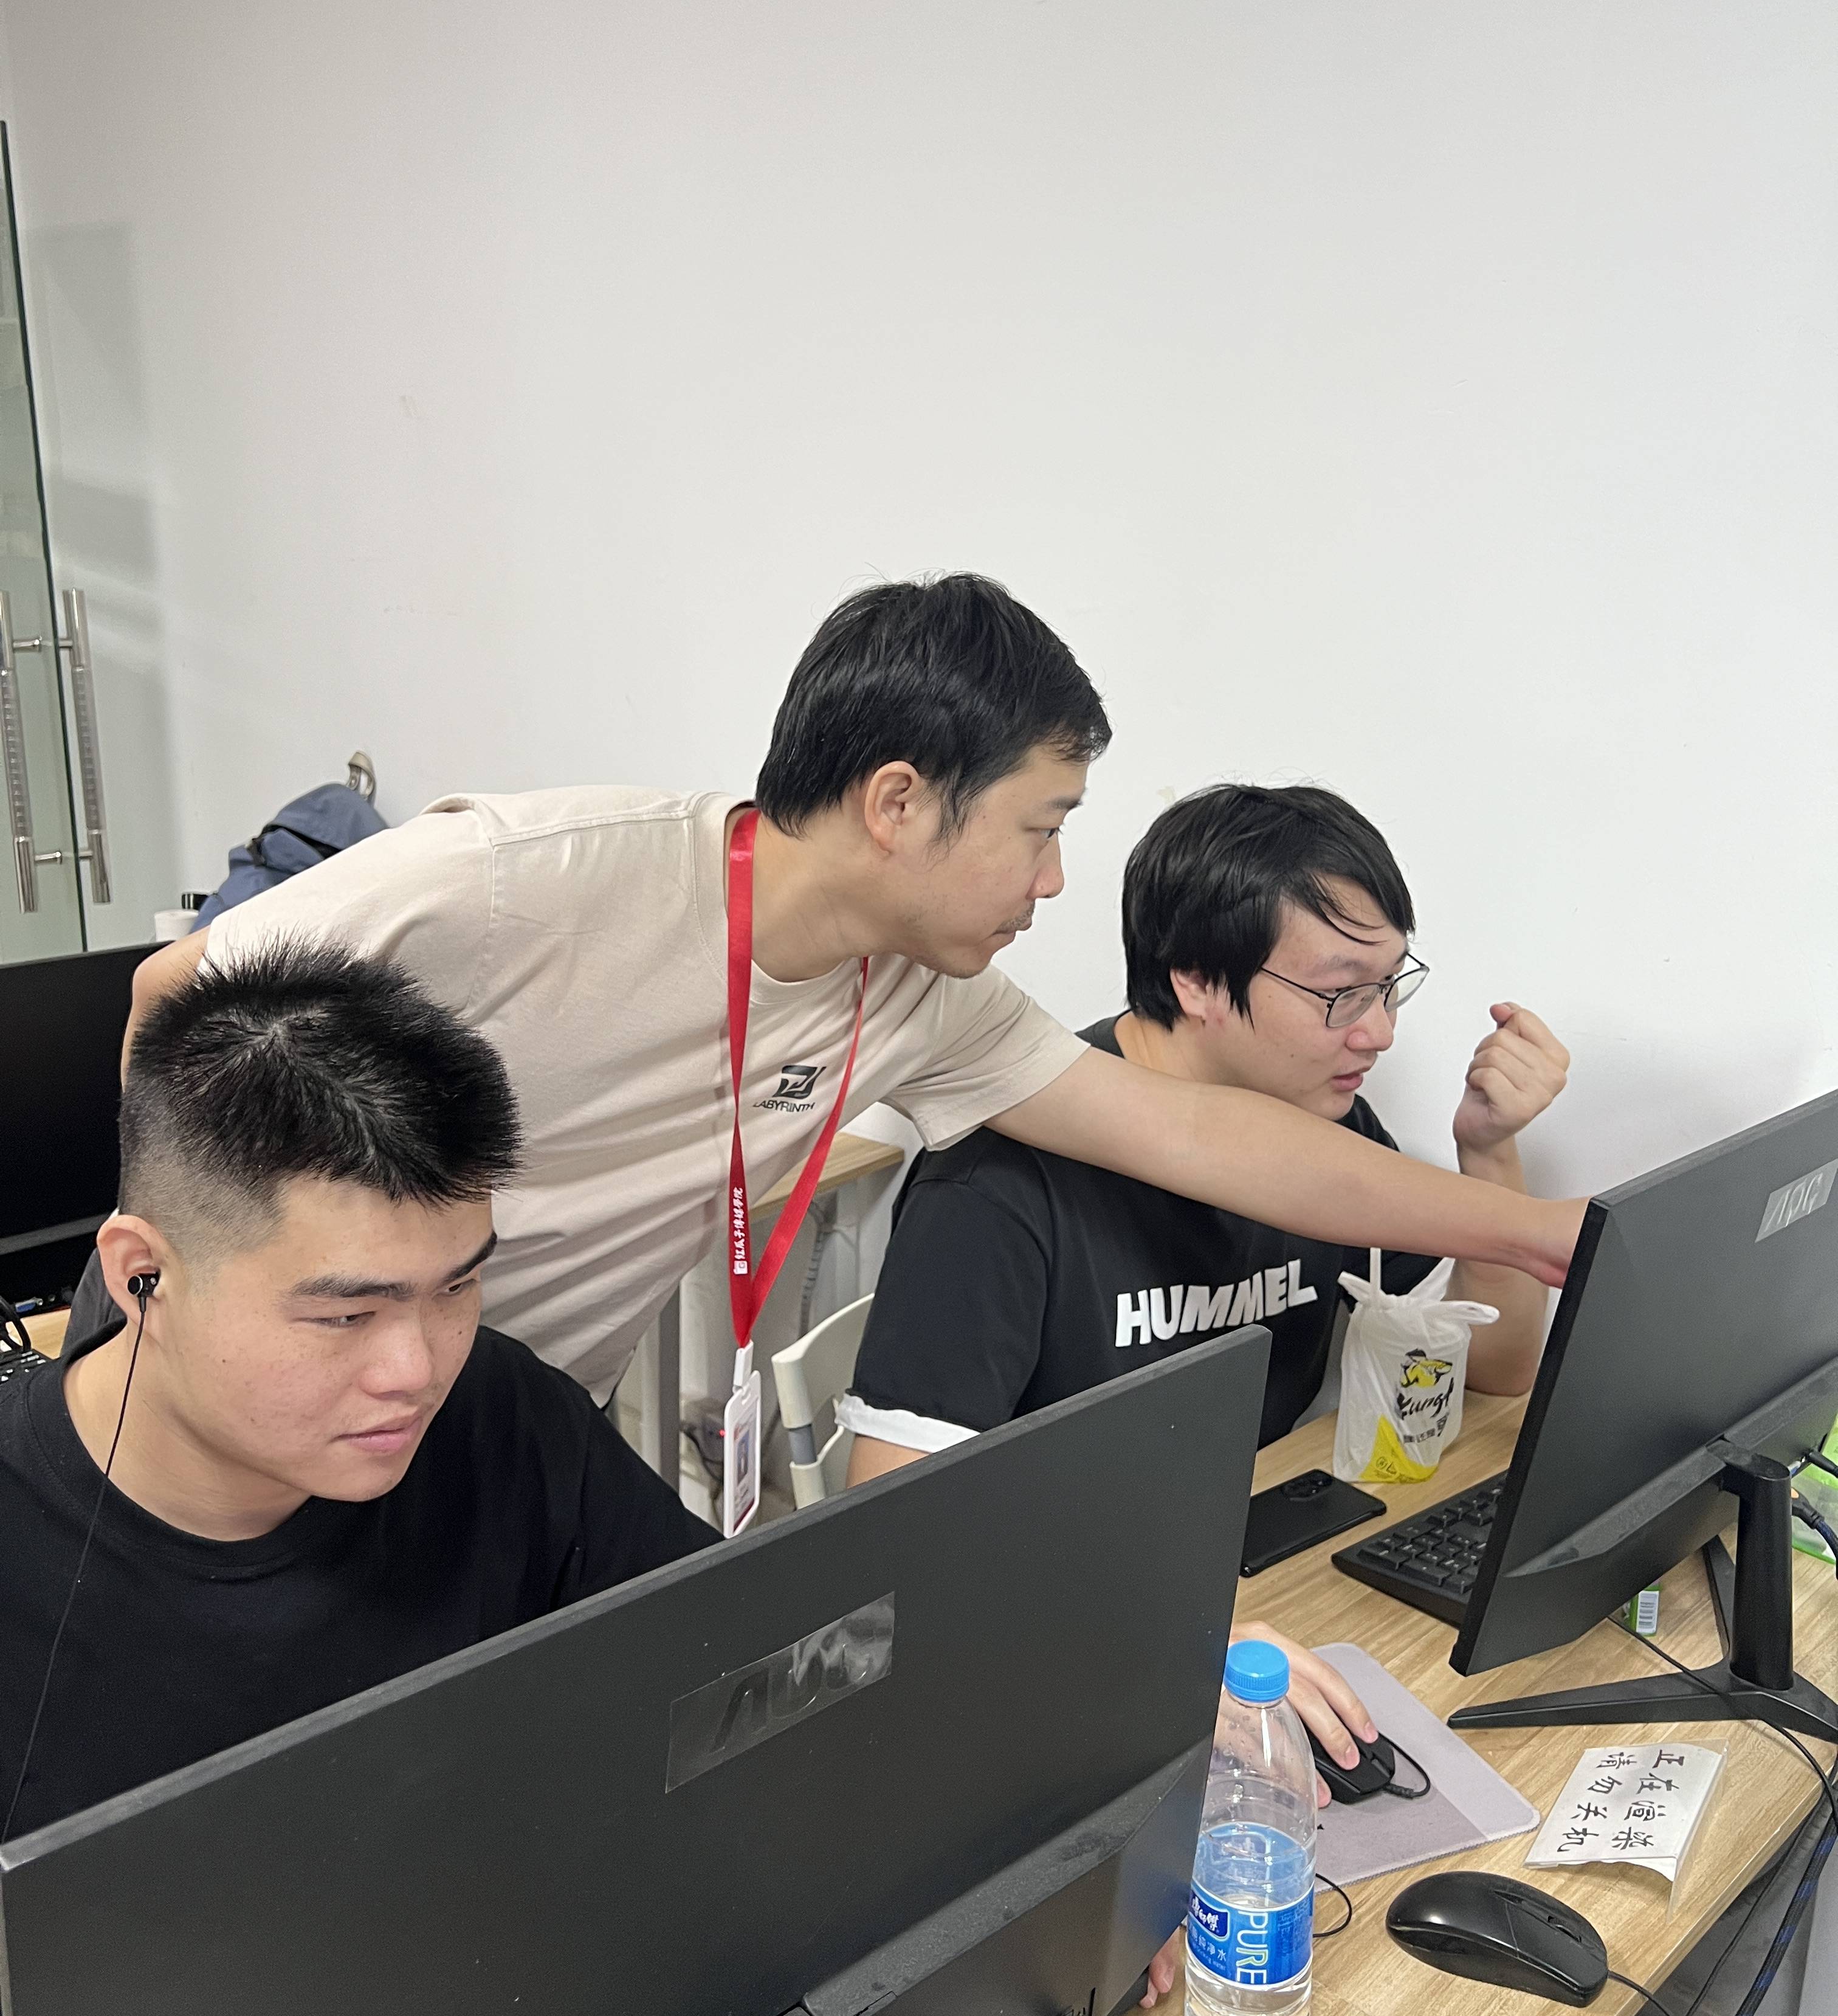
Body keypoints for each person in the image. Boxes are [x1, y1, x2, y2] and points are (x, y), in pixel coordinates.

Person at [128, 578, 1583, 1403]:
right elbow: (178, 991)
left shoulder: (928, 1000)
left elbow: (1202, 1138)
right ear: (898, 803)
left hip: (497, 1421)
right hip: (255, 1397)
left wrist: (1528, 1232)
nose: (1053, 882)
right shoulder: (531, 879)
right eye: (1041, 828)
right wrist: (195, 1317)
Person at [838, 782, 1569, 1914]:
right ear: (1194, 981)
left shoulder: (1325, 1129)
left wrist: (1491, 1159)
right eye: (1338, 994)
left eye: (1389, 987)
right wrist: (1167, 1640)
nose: (1377, 1031)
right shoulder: (1001, 1179)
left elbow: (1497, 1372)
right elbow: (894, 1531)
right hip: (1052, 1649)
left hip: (1249, 1591)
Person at [0, 944, 712, 1840]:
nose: (418, 1372)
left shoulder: (505, 1415)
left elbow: (733, 1661)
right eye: (345, 1315)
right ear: (145, 1276)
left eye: (457, 1286)